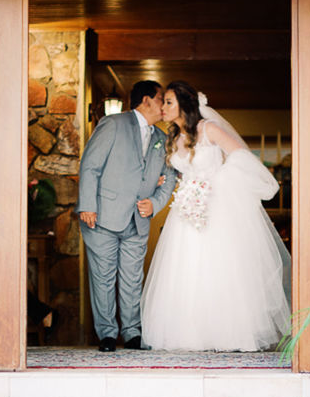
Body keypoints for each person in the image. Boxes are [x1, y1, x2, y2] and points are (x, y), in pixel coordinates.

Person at [141, 81, 291, 352]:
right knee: (186, 269)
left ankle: (227, 334)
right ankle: (191, 335)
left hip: (214, 209)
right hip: (186, 213)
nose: (163, 107)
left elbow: (242, 157)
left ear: (184, 104)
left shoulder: (208, 129)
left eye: (169, 102)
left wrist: (214, 183)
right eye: (163, 102)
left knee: (217, 267)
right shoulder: (174, 138)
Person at [77, 80, 177, 352]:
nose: (164, 106)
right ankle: (107, 334)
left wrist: (155, 203)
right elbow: (90, 165)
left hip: (138, 220)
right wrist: (87, 204)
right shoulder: (113, 123)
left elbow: (169, 176)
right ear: (146, 100)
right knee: (103, 277)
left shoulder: (162, 138)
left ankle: (132, 332)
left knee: (133, 279)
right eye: (161, 100)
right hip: (101, 216)